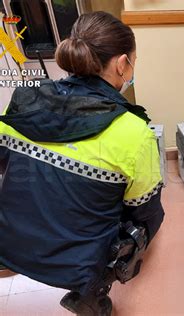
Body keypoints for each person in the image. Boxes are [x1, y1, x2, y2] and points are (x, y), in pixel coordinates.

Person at [0, 11, 165, 315]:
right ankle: (92, 293)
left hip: (11, 242)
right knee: (148, 219)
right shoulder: (133, 132)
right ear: (121, 64)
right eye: (134, 60)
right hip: (77, 262)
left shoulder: (21, 102)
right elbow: (144, 210)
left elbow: (5, 165)